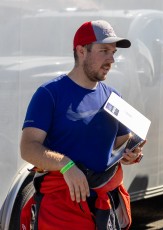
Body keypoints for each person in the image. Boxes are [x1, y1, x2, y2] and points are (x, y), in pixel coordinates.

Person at [19, 20, 145, 230]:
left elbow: (123, 143)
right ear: (81, 51)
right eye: (104, 51)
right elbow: (28, 147)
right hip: (60, 211)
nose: (111, 59)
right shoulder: (49, 94)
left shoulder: (113, 96)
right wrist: (66, 165)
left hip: (104, 210)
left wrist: (133, 152)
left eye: (113, 52)